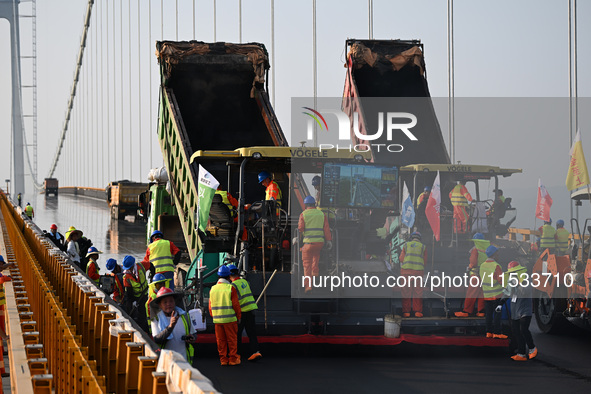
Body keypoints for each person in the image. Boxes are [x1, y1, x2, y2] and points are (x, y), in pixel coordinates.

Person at [151, 287, 197, 363]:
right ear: (159, 305)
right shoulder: (155, 319)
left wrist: (192, 338)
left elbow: (194, 334)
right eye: (165, 302)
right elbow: (157, 339)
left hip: (184, 361)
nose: (168, 304)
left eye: (171, 301)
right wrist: (170, 326)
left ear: (175, 302)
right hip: (166, 362)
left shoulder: (184, 315)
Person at [296, 196, 332, 292]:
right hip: (319, 243)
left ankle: (308, 286)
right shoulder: (322, 214)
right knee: (316, 255)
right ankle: (315, 273)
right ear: (314, 204)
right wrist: (329, 241)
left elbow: (300, 228)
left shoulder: (303, 214)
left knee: (306, 264)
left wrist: (296, 238)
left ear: (306, 205)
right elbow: (326, 229)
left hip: (308, 244)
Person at [503, 261, 537, 361]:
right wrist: (500, 302)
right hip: (515, 312)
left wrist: (516, 284)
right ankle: (521, 353)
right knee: (516, 332)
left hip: (524, 312)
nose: (512, 275)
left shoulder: (525, 280)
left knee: (523, 330)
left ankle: (532, 348)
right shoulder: (511, 280)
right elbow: (507, 292)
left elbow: (524, 292)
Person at [209, 265, 242, 366]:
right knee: (232, 340)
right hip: (230, 320)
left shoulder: (213, 289)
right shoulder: (230, 288)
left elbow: (210, 307)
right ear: (228, 276)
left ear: (218, 277)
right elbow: (236, 305)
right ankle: (233, 359)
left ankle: (223, 360)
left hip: (218, 321)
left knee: (221, 341)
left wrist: (214, 316)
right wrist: (239, 317)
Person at [228, 264, 262, 362]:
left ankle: (237, 354)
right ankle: (255, 352)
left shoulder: (233, 286)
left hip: (241, 312)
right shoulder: (245, 282)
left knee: (237, 334)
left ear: (229, 275)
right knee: (251, 332)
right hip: (251, 310)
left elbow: (234, 301)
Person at [455, 233, 489, 317]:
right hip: (484, 275)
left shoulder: (475, 250)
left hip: (475, 275)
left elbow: (473, 263)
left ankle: (467, 311)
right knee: (482, 294)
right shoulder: (487, 250)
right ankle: (481, 311)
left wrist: (469, 267)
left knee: (471, 293)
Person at [479, 245, 507, 339]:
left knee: (489, 315)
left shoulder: (482, 265)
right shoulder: (496, 266)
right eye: (497, 253)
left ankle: (489, 332)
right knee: (497, 314)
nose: (498, 255)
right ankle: (497, 333)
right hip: (496, 295)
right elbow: (501, 280)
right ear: (494, 255)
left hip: (487, 295)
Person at [399, 232, 427, 318]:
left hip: (406, 272)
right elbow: (425, 262)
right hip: (418, 272)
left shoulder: (406, 245)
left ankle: (406, 312)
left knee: (406, 292)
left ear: (411, 238)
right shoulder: (423, 247)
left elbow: (401, 259)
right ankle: (418, 312)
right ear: (419, 238)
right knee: (418, 292)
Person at [122, 255, 150, 333]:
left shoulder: (141, 266)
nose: (129, 270)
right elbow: (128, 293)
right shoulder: (126, 277)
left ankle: (146, 330)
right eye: (128, 269)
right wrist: (132, 302)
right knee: (139, 315)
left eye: (130, 268)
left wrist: (153, 275)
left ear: (133, 265)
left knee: (145, 313)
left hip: (144, 295)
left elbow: (151, 265)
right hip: (136, 298)